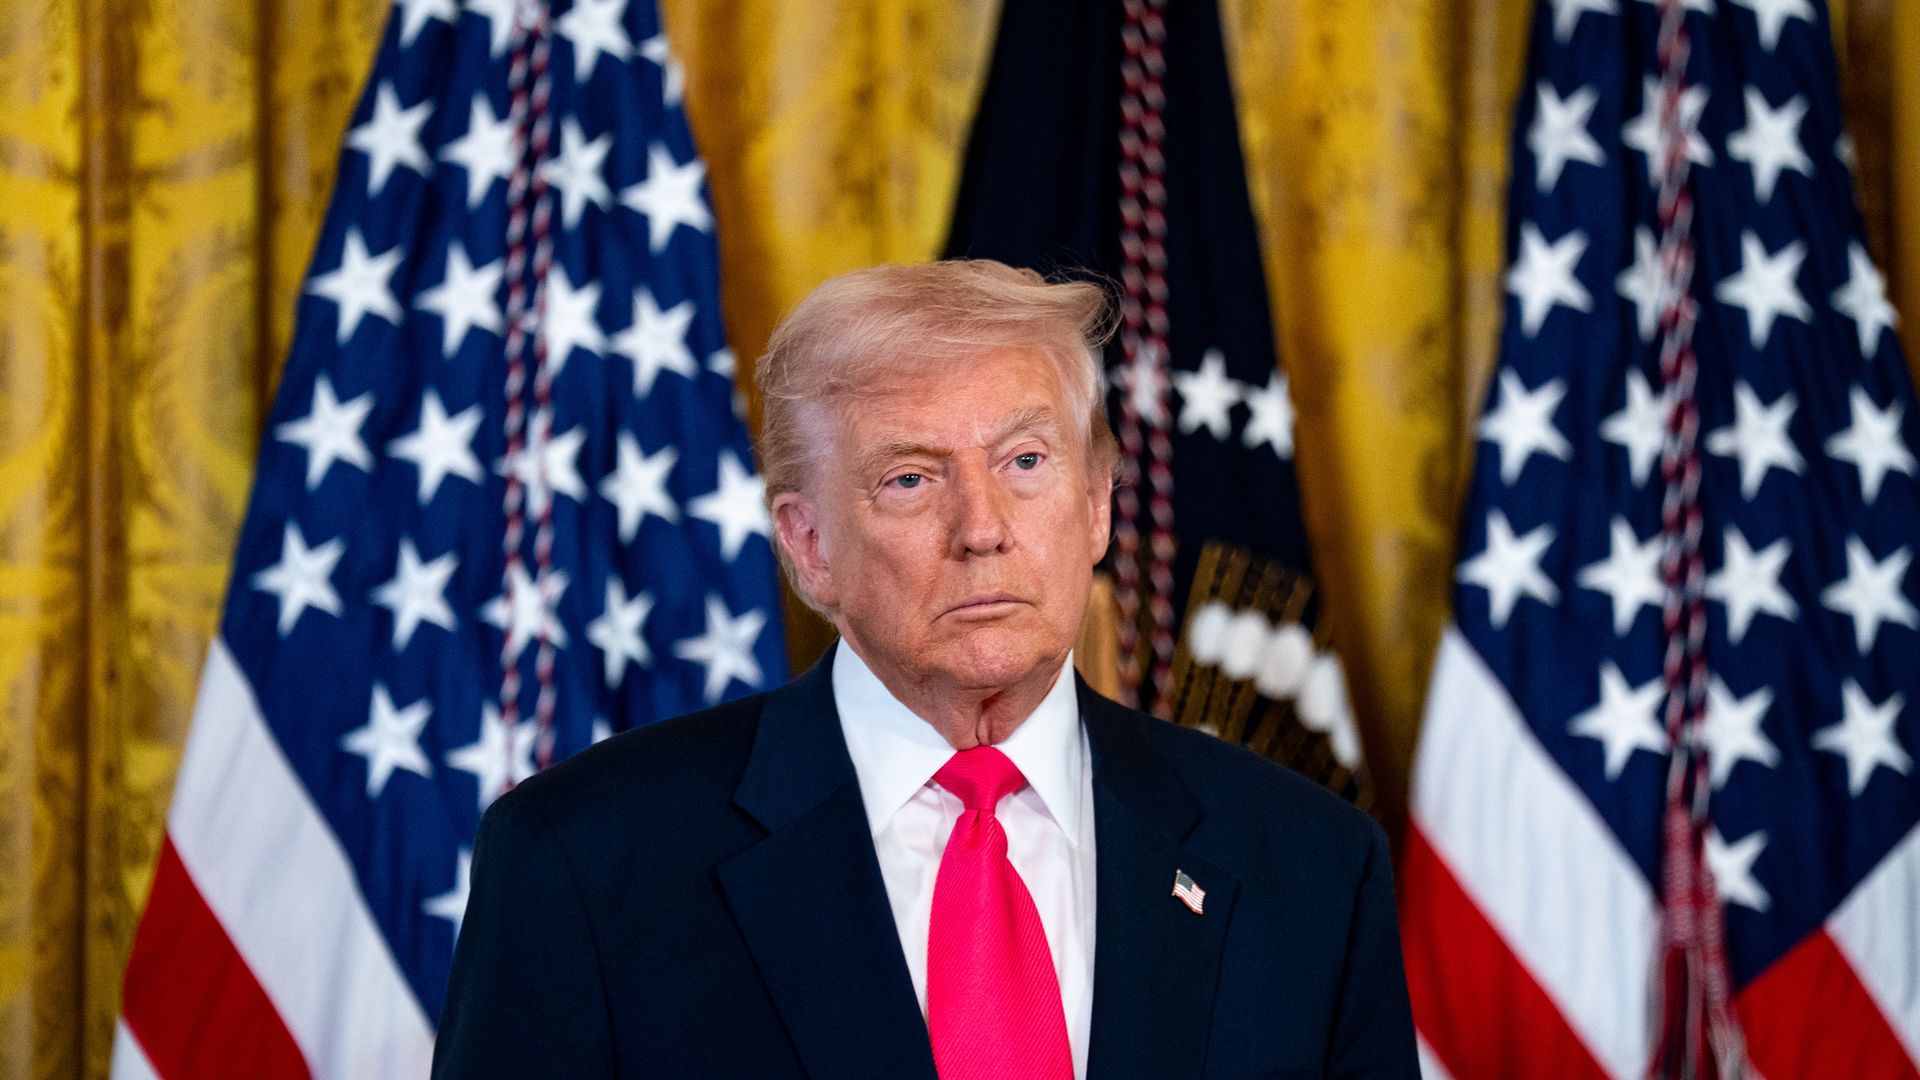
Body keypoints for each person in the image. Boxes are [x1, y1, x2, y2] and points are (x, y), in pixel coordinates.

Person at [432, 260, 1418, 1079]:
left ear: (1100, 506)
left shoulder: (1313, 868)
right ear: (808, 545)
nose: (982, 528)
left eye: (1025, 462)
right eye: (909, 478)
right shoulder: (584, 863)